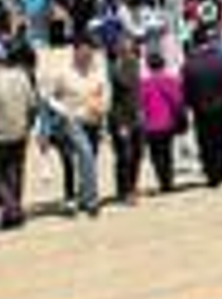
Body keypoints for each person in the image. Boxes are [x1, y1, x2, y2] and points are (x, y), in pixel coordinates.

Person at [0, 43, 38, 230]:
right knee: (15, 173)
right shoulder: (22, 77)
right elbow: (33, 106)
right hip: (20, 132)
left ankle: (12, 209)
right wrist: (27, 126)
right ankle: (13, 211)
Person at [42, 40, 106, 216]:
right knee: (86, 155)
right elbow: (49, 98)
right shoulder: (63, 73)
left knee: (90, 159)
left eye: (90, 53)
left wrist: (103, 110)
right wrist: (64, 111)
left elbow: (104, 93)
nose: (87, 56)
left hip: (94, 120)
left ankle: (83, 194)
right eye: (83, 53)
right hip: (73, 121)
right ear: (75, 53)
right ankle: (92, 201)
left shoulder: (98, 72)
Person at [181, 26, 222, 188]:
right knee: (221, 137)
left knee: (206, 140)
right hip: (220, 104)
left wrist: (189, 104)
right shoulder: (221, 58)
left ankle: (211, 173)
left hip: (200, 107)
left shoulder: (189, 63)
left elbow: (186, 87)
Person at [140, 51, 186, 193]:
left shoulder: (144, 84)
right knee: (167, 152)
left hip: (151, 125)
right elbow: (177, 101)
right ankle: (168, 180)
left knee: (156, 154)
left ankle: (162, 179)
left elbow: (140, 104)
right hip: (167, 122)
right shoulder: (171, 81)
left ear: (148, 66)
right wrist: (181, 118)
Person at [107, 39, 145, 204]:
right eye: (124, 48)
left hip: (137, 116)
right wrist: (119, 122)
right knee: (124, 155)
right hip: (120, 117)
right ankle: (125, 190)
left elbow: (138, 91)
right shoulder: (114, 67)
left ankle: (132, 187)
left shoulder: (136, 64)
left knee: (137, 154)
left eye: (130, 49)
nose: (128, 52)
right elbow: (122, 85)